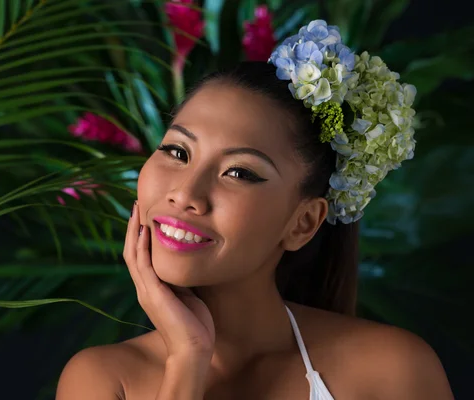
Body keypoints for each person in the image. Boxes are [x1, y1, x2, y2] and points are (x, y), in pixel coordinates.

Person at [56, 20, 453, 400]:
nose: (186, 193)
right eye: (177, 151)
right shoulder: (101, 380)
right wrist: (187, 358)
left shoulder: (392, 370)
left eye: (239, 172)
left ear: (302, 223)